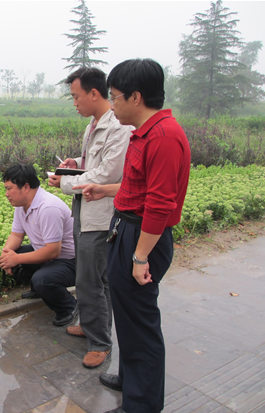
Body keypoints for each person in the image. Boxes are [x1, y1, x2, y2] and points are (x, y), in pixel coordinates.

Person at [76, 59, 191, 413]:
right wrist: (105, 190)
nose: (113, 103)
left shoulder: (164, 136)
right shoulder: (142, 133)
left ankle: (141, 404)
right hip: (126, 229)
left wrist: (140, 257)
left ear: (136, 97)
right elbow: (136, 185)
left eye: (116, 97)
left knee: (141, 323)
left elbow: (159, 204)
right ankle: (129, 376)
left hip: (143, 237)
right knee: (126, 314)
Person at [48, 67, 132, 369]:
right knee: (96, 277)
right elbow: (93, 163)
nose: (74, 103)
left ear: (94, 93)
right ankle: (92, 324)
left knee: (89, 281)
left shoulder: (120, 127)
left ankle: (100, 343)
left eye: (76, 96)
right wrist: (76, 163)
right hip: (84, 210)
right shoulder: (94, 125)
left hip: (102, 214)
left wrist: (66, 182)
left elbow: (108, 173)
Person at [0, 164, 77, 326]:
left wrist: (17, 258)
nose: (6, 194)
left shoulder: (48, 207)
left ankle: (69, 307)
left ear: (26, 187)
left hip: (71, 261)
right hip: (47, 253)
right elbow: (16, 235)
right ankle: (39, 290)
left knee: (42, 279)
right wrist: (6, 255)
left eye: (9, 189)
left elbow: (53, 252)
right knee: (14, 257)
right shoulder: (22, 205)